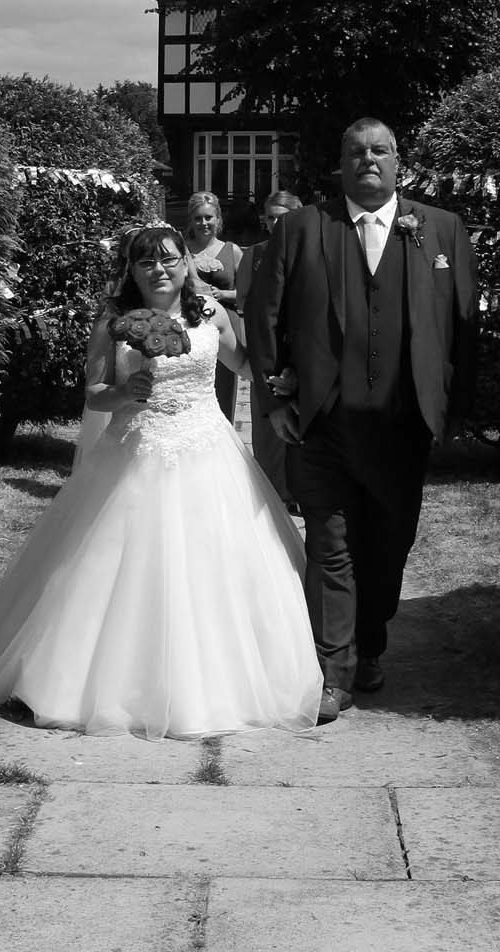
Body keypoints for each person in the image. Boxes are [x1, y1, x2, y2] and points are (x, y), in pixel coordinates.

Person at [0, 225, 322, 739]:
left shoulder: (210, 313)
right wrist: (126, 390)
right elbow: (95, 393)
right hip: (134, 451)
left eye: (169, 259)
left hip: (208, 449)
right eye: (146, 262)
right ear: (131, 270)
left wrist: (283, 376)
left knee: (219, 562)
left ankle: (218, 683)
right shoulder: (113, 322)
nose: (159, 270)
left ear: (186, 264)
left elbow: (242, 363)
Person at [245, 118, 478, 724]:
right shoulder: (301, 228)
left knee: (388, 547)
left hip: (402, 428)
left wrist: (455, 410)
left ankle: (369, 643)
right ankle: (334, 671)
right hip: (321, 426)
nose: (368, 160)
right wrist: (275, 403)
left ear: (399, 162)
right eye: (356, 151)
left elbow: (464, 326)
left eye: (379, 151)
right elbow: (264, 318)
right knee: (330, 547)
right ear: (340, 163)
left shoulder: (442, 228)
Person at [235, 190, 304, 510]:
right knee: (267, 424)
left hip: (303, 348)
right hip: (267, 349)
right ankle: (273, 493)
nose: (275, 223)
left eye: (282, 217)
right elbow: (244, 301)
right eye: (271, 217)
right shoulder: (255, 254)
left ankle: (301, 490)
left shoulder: (311, 250)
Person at [184, 191, 243, 421]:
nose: (204, 223)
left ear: (218, 218)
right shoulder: (181, 250)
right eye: (198, 218)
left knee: (223, 387)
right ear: (191, 221)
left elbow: (249, 293)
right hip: (191, 323)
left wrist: (223, 294)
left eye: (208, 217)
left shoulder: (233, 251)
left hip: (226, 325)